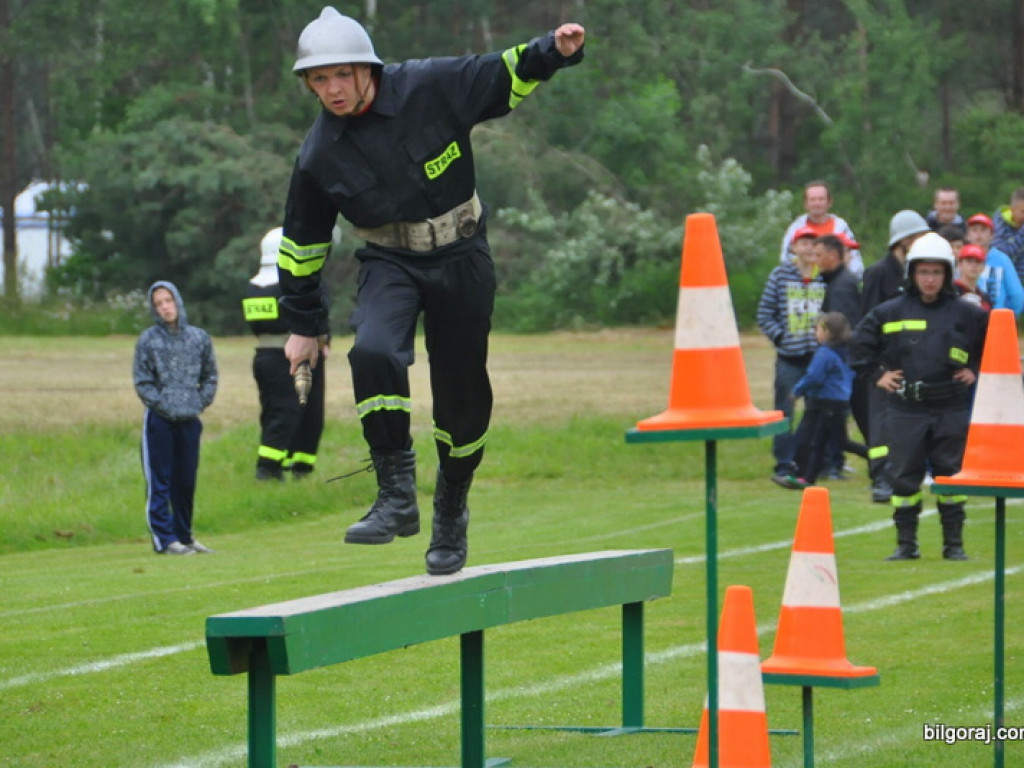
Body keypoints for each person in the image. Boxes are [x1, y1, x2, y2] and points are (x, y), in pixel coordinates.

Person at [277, 7, 586, 576]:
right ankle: (395, 496)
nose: (332, 90)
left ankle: (451, 507)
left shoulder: (428, 84)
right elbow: (301, 243)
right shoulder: (319, 153)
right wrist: (301, 325)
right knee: (372, 350)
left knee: (462, 397)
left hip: (462, 254)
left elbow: (501, 73)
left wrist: (555, 51)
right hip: (388, 260)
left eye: (341, 75)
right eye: (319, 80)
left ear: (366, 68)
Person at [850, 233, 988, 561]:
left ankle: (954, 545)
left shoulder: (968, 313)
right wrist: (877, 375)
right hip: (905, 408)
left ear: (947, 274)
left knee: (950, 474)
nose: (930, 279)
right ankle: (906, 545)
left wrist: (975, 369)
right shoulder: (889, 312)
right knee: (903, 477)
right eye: (923, 272)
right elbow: (858, 345)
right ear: (911, 273)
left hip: (950, 406)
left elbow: (995, 345)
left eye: (937, 273)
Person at [133, 281, 219, 555]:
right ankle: (164, 539)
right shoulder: (148, 340)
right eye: (158, 304)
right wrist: (164, 405)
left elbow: (210, 376)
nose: (165, 307)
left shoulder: (199, 338)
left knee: (186, 480)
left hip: (189, 419)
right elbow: (143, 381)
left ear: (177, 301)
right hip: (160, 420)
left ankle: (185, 535)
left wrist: (198, 401)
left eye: (168, 300)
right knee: (161, 480)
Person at [856, 209, 931, 503]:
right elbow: (868, 321)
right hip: (885, 364)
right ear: (903, 241)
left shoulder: (915, 274)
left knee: (907, 423)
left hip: (912, 361)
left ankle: (902, 474)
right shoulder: (877, 273)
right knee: (880, 423)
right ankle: (880, 478)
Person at [243, 227, 326, 481]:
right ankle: (268, 469)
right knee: (292, 411)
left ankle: (280, 466)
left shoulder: (252, 287)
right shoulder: (288, 288)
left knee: (275, 411)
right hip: (293, 356)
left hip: (264, 356)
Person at [757, 225, 826, 487]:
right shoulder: (780, 275)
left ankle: (811, 462)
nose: (809, 248)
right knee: (785, 411)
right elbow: (764, 313)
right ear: (793, 248)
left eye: (813, 243)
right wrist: (780, 337)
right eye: (803, 243)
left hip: (819, 358)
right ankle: (783, 463)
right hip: (790, 357)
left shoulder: (825, 277)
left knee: (818, 412)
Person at [776, 312, 866, 489]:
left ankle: (882, 462)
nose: (815, 332)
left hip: (827, 403)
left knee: (841, 442)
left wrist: (797, 391)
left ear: (827, 332)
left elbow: (814, 377)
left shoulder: (824, 353)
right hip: (839, 402)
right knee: (819, 442)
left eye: (817, 329)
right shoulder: (844, 351)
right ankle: (807, 479)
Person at [813, 234, 862, 478]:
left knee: (833, 417)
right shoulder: (837, 282)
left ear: (834, 255)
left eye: (819, 255)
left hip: (841, 364)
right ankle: (826, 464)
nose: (816, 260)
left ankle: (833, 464)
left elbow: (845, 329)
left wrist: (832, 362)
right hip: (843, 363)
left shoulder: (842, 285)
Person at [778, 180, 864, 277]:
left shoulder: (841, 227)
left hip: (834, 282)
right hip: (802, 284)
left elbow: (854, 260)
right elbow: (785, 258)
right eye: (813, 200)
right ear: (805, 204)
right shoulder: (796, 228)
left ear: (829, 202)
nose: (817, 203)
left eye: (821, 199)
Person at [965, 212, 1024, 315]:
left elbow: (1017, 295)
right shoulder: (961, 258)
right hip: (967, 319)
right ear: (967, 235)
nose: (978, 234)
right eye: (974, 230)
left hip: (996, 319)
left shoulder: (1002, 260)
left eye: (983, 230)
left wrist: (1009, 316)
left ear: (992, 235)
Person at [991, 187, 1024, 282]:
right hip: (1005, 280)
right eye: (1023, 212)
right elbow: (1003, 256)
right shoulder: (999, 227)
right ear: (1012, 210)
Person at [953, 244, 992, 311]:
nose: (973, 265)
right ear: (960, 265)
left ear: (984, 267)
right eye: (969, 261)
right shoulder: (951, 292)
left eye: (978, 262)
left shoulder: (985, 298)